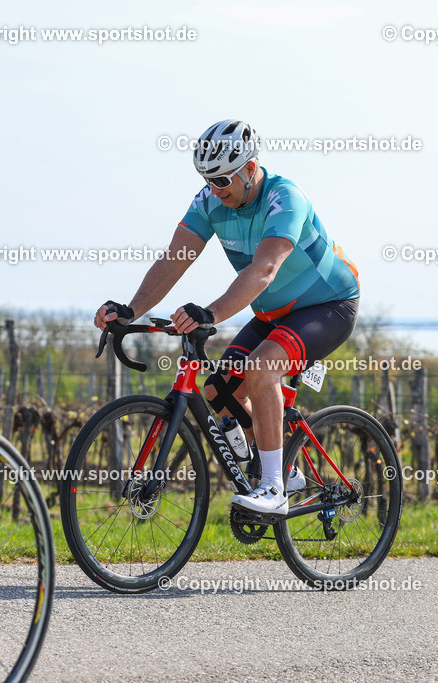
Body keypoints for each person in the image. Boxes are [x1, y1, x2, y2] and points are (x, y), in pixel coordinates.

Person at [95, 119, 360, 516]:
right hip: (273, 313)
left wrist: (211, 312)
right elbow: (174, 260)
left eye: (222, 181)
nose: (215, 192)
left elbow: (264, 270)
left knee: (261, 369)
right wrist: (132, 310)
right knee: (219, 390)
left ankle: (273, 489)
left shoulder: (285, 197)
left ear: (250, 169)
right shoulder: (209, 201)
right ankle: (285, 470)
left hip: (327, 305)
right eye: (208, 180)